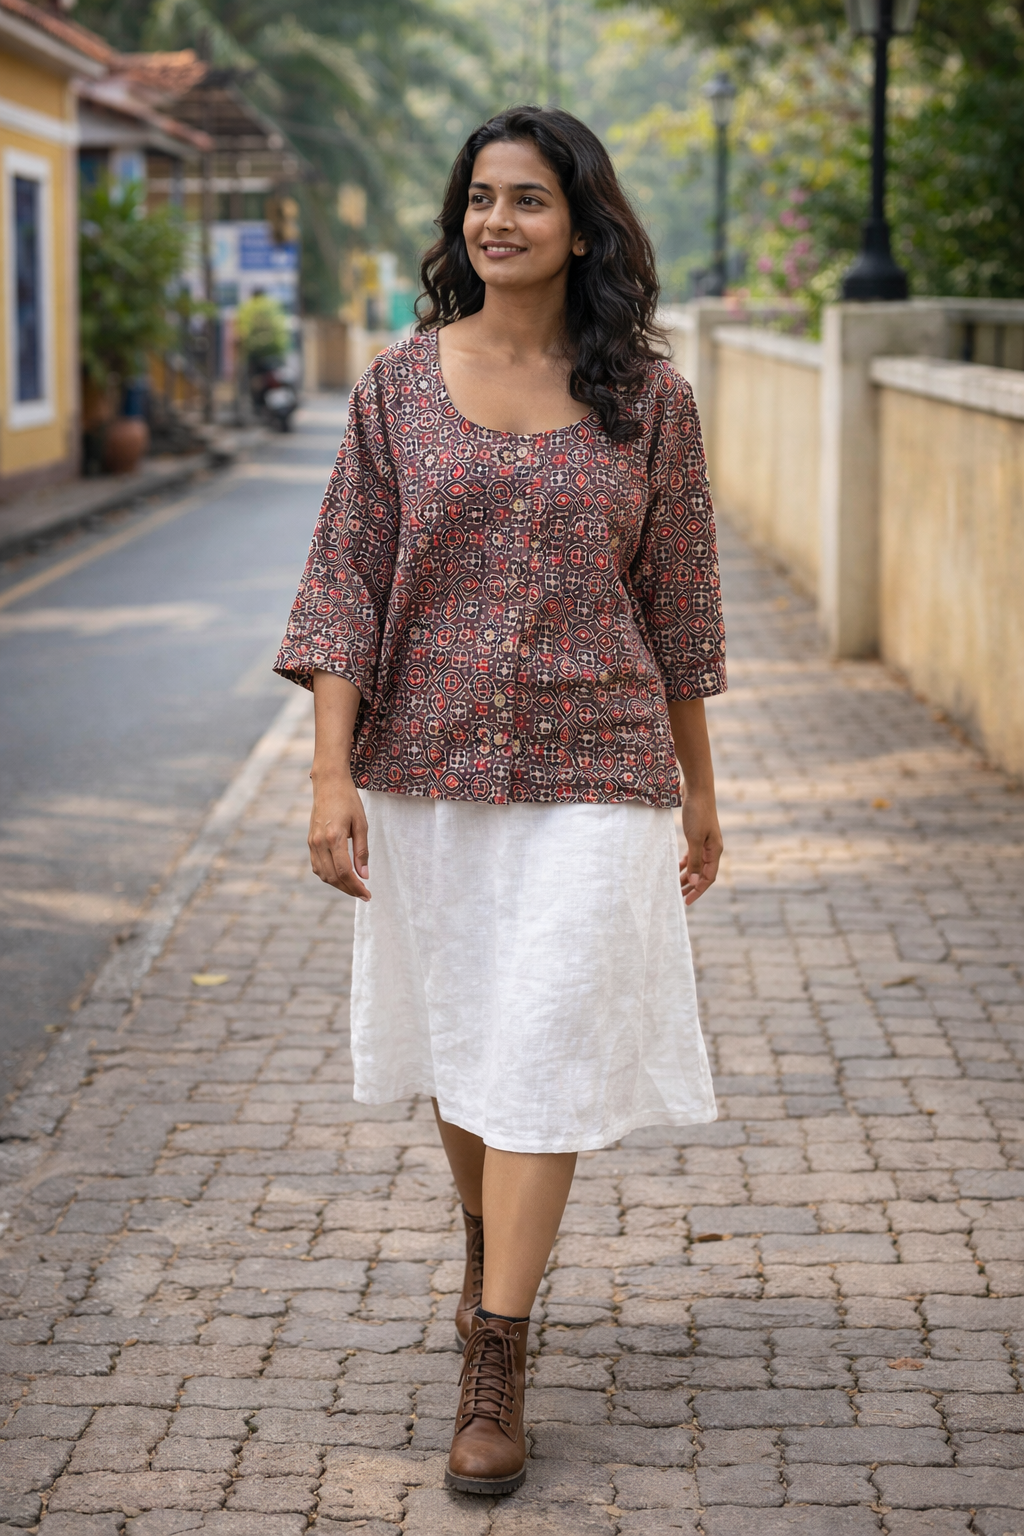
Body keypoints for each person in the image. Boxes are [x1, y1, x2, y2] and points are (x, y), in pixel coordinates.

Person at [274, 105, 726, 1498]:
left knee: (540, 1043)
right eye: (480, 197)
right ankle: (493, 1249)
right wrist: (328, 770)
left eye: (528, 199)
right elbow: (346, 578)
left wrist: (702, 792)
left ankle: (496, 1352)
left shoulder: (651, 399)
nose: (497, 221)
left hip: (602, 775)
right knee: (468, 1040)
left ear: (581, 224)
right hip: (430, 773)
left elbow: (682, 606)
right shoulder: (400, 389)